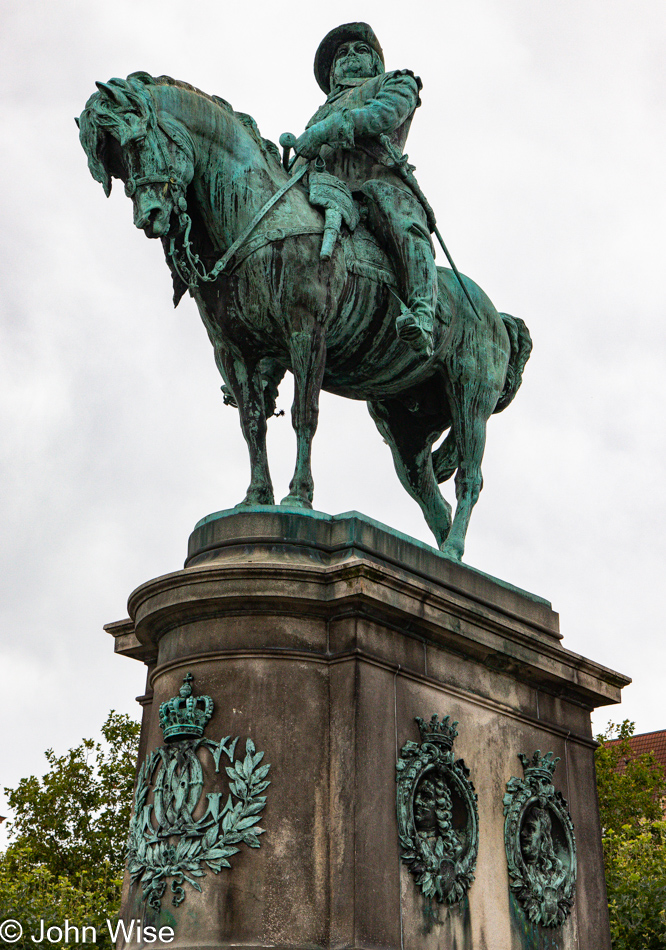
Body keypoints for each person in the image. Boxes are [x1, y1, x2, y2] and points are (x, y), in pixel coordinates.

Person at [293, 22, 438, 356]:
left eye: (360, 50)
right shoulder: (319, 113)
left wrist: (329, 128)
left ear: (375, 62)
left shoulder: (394, 81)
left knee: (401, 221)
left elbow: (385, 114)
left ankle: (422, 313)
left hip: (377, 184)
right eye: (342, 54)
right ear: (332, 73)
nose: (350, 57)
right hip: (323, 191)